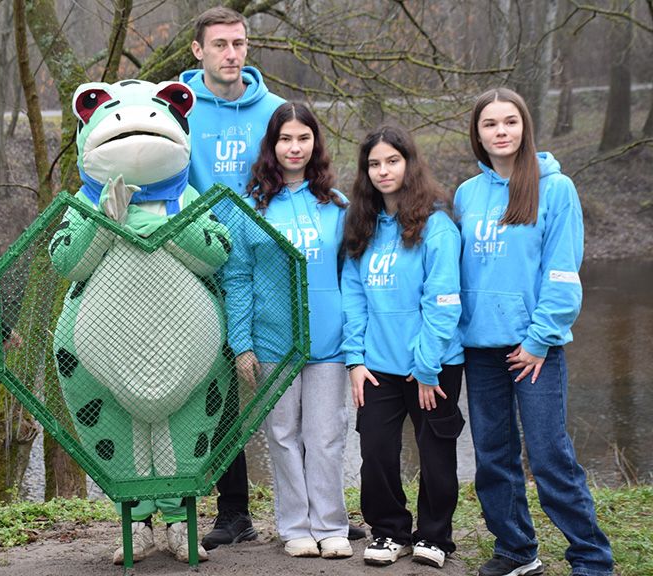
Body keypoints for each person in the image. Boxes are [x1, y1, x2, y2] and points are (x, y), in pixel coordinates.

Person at [455, 88, 614, 576]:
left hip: (535, 350)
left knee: (549, 456)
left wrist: (539, 338)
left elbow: (562, 273)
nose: (500, 131)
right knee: (492, 458)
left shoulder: (556, 188)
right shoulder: (466, 194)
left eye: (510, 122)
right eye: (489, 124)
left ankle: (592, 558)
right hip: (480, 349)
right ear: (477, 133)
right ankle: (517, 551)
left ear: (524, 127)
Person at [222, 102, 352, 559]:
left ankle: (330, 525)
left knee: (326, 437)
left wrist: (355, 340)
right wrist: (242, 343)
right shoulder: (250, 208)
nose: (294, 147)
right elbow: (238, 277)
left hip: (329, 341)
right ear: (272, 145)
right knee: (282, 436)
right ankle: (295, 526)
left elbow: (351, 276)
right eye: (285, 139)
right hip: (273, 341)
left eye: (303, 138)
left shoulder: (337, 206)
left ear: (315, 143)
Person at [180, 5, 286, 550]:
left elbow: (298, 176)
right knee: (213, 390)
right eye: (219, 44)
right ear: (198, 50)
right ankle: (234, 511)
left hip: (265, 266)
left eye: (239, 43)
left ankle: (314, 510)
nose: (231, 53)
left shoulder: (275, 111)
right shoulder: (177, 107)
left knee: (288, 384)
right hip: (197, 265)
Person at [342, 125, 464, 569]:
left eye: (392, 161)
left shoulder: (437, 227)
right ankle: (390, 530)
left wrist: (427, 366)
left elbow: (443, 301)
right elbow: (353, 297)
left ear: (409, 164)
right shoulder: (362, 228)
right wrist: (354, 359)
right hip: (378, 366)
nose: (383, 171)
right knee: (375, 451)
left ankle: (434, 536)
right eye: (374, 164)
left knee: (435, 455)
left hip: (433, 365)